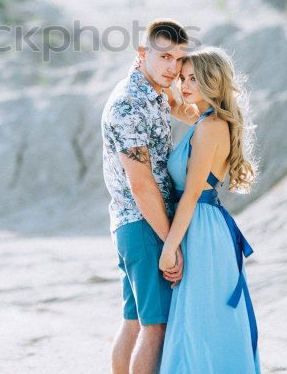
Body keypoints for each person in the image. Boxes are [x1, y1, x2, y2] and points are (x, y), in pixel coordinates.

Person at [157, 47, 261, 373]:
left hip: (199, 227)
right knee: (197, 319)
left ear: (212, 83)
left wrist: (169, 249)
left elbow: (190, 194)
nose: (184, 85)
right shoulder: (203, 118)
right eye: (183, 78)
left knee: (199, 320)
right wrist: (151, 72)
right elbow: (172, 103)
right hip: (200, 224)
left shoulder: (211, 126)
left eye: (194, 79)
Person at [101, 19, 190, 374]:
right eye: (165, 56)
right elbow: (141, 184)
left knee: (136, 321)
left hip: (134, 225)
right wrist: (170, 242)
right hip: (143, 225)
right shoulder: (129, 105)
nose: (174, 67)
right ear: (142, 54)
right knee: (157, 325)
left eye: (180, 59)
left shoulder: (150, 96)